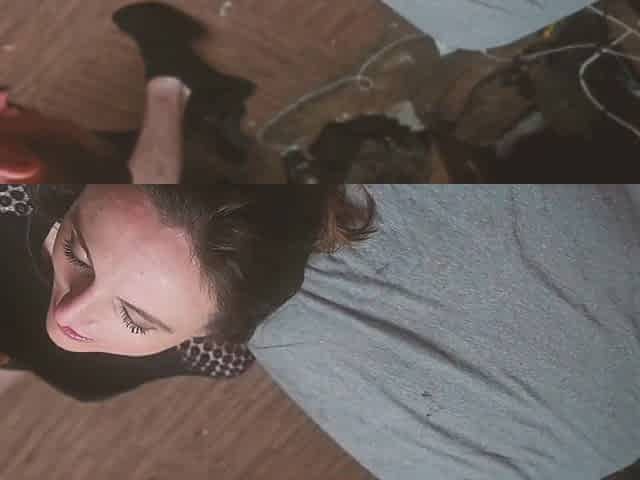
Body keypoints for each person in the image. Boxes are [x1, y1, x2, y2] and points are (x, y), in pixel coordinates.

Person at [0, 184, 376, 401]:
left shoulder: (217, 359)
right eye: (75, 253)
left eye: (133, 319)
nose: (67, 314)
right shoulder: (13, 193)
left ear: (208, 333)